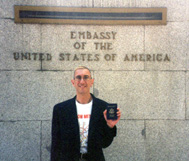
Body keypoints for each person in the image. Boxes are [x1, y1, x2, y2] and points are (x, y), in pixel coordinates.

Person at [51, 66, 121, 161]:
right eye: (78, 77)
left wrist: (110, 126)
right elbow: (56, 144)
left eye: (86, 77)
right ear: (73, 82)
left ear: (91, 82)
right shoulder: (61, 109)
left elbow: (105, 144)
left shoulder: (102, 108)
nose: (82, 81)